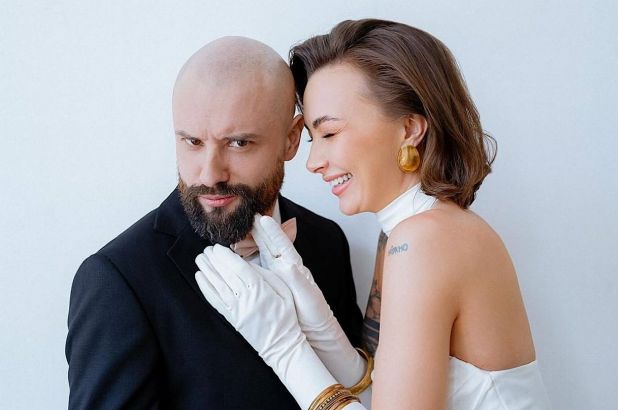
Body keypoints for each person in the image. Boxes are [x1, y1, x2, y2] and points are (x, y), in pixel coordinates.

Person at [196, 19, 552, 409]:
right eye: (313, 138)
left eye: (330, 133)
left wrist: (284, 348)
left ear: (409, 128)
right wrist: (324, 334)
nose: (313, 161)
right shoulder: (406, 233)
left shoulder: (423, 240)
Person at [65, 37, 363, 409]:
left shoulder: (327, 240)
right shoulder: (117, 279)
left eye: (238, 143)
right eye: (192, 142)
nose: (209, 174)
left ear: (291, 139)